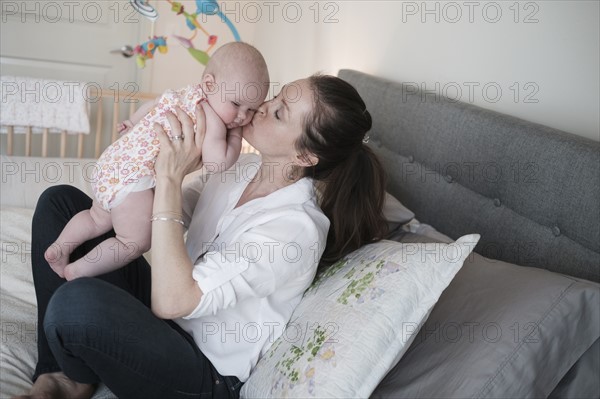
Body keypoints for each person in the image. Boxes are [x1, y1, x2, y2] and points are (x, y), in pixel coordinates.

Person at [17, 74, 387, 399]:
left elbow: (173, 301)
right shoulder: (241, 167)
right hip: (163, 318)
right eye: (276, 96)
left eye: (278, 113)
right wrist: (141, 163)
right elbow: (169, 214)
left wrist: (169, 178)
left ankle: (75, 375)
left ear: (305, 156)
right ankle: (61, 376)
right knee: (61, 203)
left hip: (202, 369)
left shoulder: (296, 230)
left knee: (75, 303)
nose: (261, 106)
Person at [44, 42, 270, 281]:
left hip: (110, 163)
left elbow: (153, 105)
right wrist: (235, 136)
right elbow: (218, 163)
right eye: (236, 104)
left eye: (251, 110)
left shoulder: (183, 94)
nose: (242, 116)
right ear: (209, 84)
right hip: (133, 180)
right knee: (134, 241)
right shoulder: (211, 118)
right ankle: (77, 271)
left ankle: (60, 248)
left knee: (95, 217)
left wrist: (132, 122)